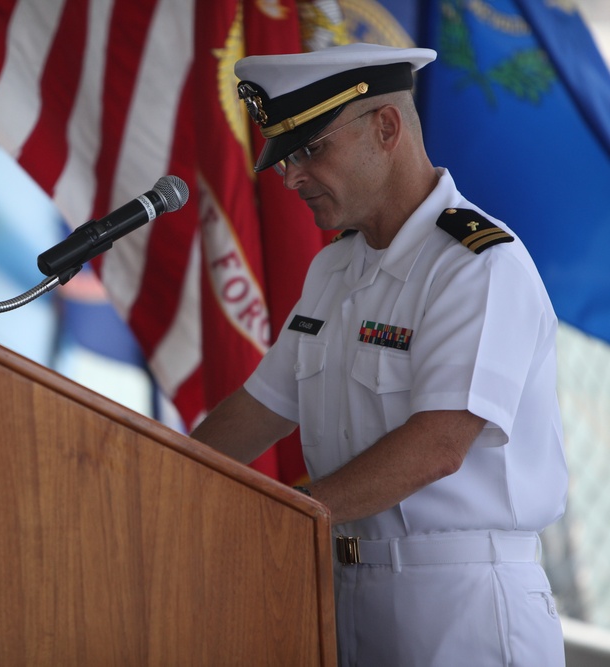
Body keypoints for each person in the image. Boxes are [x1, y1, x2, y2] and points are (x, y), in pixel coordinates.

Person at [190, 43, 568, 666]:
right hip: (342, 589)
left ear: (386, 128)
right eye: (286, 155)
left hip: (462, 605)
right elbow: (260, 408)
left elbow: (440, 444)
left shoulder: (477, 264)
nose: (290, 176)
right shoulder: (334, 268)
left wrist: (290, 517)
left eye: (312, 149)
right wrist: (154, 482)